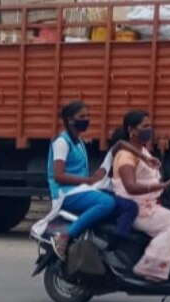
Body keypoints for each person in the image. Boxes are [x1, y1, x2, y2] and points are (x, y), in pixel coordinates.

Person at [48, 101, 138, 260]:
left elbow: (119, 145)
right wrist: (88, 181)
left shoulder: (79, 142)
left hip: (80, 189)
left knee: (122, 203)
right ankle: (65, 237)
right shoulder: (62, 142)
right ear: (70, 120)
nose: (86, 119)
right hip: (65, 193)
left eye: (88, 116)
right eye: (82, 117)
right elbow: (58, 175)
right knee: (106, 203)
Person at [111, 110, 170, 282]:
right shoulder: (126, 156)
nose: (149, 130)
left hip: (151, 204)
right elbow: (131, 187)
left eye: (150, 126)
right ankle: (150, 268)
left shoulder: (143, 152)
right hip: (138, 208)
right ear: (131, 130)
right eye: (144, 127)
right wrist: (164, 185)